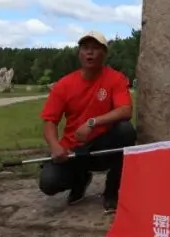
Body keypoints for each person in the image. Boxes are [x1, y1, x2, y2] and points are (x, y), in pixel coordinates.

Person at [38, 30, 137, 214]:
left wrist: (92, 122)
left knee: (126, 131)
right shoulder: (64, 84)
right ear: (79, 53)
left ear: (104, 54)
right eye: (85, 48)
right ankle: (80, 179)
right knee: (48, 182)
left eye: (95, 48)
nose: (89, 53)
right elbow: (49, 121)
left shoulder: (115, 78)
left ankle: (112, 192)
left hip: (102, 146)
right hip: (73, 150)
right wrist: (54, 146)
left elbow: (125, 111)